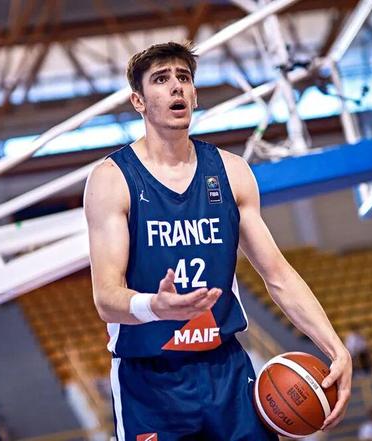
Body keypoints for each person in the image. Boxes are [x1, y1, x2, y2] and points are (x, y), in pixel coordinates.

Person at [84, 41, 351, 440]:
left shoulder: (231, 171)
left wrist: (335, 347)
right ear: (138, 101)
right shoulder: (112, 179)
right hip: (149, 381)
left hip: (226, 371)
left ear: (194, 94)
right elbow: (106, 298)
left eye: (183, 77)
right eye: (161, 79)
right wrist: (154, 306)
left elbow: (278, 275)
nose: (176, 86)